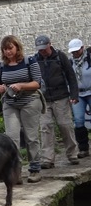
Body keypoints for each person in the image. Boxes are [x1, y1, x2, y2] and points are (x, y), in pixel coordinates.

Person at [0, 35, 44, 183]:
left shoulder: (30, 62)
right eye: (5, 49)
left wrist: (21, 85)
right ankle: (15, 170)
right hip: (10, 103)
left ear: (17, 47)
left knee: (31, 136)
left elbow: (37, 83)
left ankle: (35, 169)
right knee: (11, 137)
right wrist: (0, 88)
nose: (8, 52)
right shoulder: (1, 66)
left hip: (30, 101)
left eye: (10, 48)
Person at [34, 35, 79, 168]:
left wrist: (74, 94)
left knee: (65, 125)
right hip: (43, 99)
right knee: (45, 127)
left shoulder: (60, 56)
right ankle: (47, 159)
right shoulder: (35, 60)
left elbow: (71, 75)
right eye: (40, 49)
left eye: (44, 48)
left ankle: (72, 154)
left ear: (50, 44)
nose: (42, 51)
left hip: (61, 96)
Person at [68, 38, 91, 158]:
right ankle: (83, 148)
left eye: (77, 51)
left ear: (82, 48)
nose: (75, 54)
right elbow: (68, 78)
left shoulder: (89, 59)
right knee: (78, 120)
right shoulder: (70, 62)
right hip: (78, 94)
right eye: (73, 52)